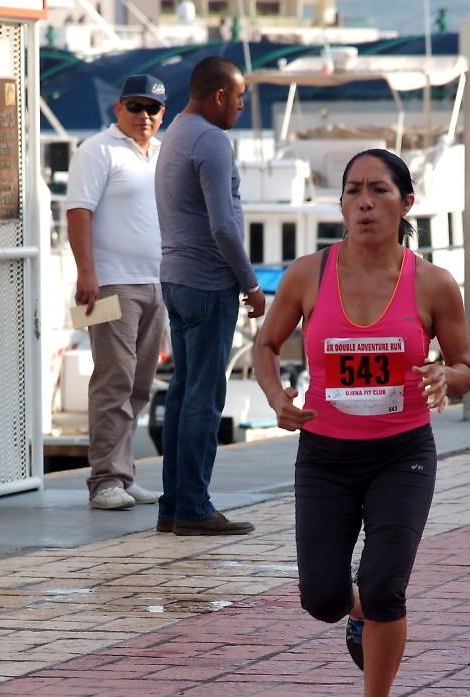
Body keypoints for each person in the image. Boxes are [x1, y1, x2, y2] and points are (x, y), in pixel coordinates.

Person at [253, 149, 470, 697]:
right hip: (324, 456)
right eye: (353, 190)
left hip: (402, 455)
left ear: (407, 203)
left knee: (384, 584)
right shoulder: (308, 274)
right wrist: (276, 397)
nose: (365, 202)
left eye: (379, 190)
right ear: (342, 203)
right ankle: (356, 614)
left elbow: (466, 368)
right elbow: (266, 346)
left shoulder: (433, 283)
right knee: (322, 597)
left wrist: (445, 376)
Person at [155, 56, 266, 536]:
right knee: (204, 396)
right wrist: (251, 283)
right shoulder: (211, 141)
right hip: (208, 284)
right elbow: (223, 225)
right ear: (219, 95)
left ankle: (173, 506)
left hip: (176, 279)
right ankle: (195, 509)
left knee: (183, 392)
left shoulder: (175, 134)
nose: (241, 106)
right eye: (238, 97)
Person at [66, 74, 167, 510]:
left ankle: (123, 475)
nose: (143, 115)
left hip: (156, 283)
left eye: (152, 108)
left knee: (140, 385)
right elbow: (78, 212)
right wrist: (86, 273)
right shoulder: (97, 150)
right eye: (135, 106)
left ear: (162, 113)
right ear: (118, 108)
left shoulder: (162, 154)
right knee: (114, 381)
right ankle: (105, 480)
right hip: (110, 283)